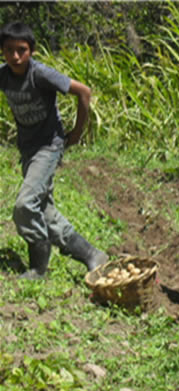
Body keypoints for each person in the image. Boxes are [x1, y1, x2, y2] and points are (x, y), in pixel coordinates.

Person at [0, 22, 108, 280]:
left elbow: (84, 91)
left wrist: (77, 132)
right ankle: (91, 254)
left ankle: (39, 266)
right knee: (43, 209)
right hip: (28, 148)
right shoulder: (4, 75)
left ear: (32, 51)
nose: (15, 56)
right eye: (9, 50)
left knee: (25, 204)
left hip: (49, 146)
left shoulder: (41, 74)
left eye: (22, 50)